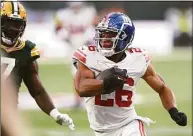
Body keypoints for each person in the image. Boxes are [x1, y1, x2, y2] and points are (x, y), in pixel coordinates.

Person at [72, 12, 187, 136]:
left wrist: (173, 110)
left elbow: (162, 88)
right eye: (103, 33)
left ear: (125, 37)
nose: (105, 38)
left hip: (129, 124)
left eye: (111, 34)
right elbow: (81, 88)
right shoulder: (89, 56)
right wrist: (106, 84)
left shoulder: (138, 58)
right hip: (101, 130)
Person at [0, 1, 75, 135]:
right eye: (8, 22)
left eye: (17, 24)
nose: (12, 28)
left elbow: (37, 90)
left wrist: (55, 113)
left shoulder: (25, 51)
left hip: (7, 115)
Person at [54, 1, 97, 108]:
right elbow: (57, 29)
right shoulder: (62, 14)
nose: (76, 8)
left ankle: (86, 97)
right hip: (73, 48)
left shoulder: (89, 12)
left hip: (87, 47)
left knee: (90, 72)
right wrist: (65, 37)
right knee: (77, 73)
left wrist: (89, 38)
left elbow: (95, 28)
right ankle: (79, 99)